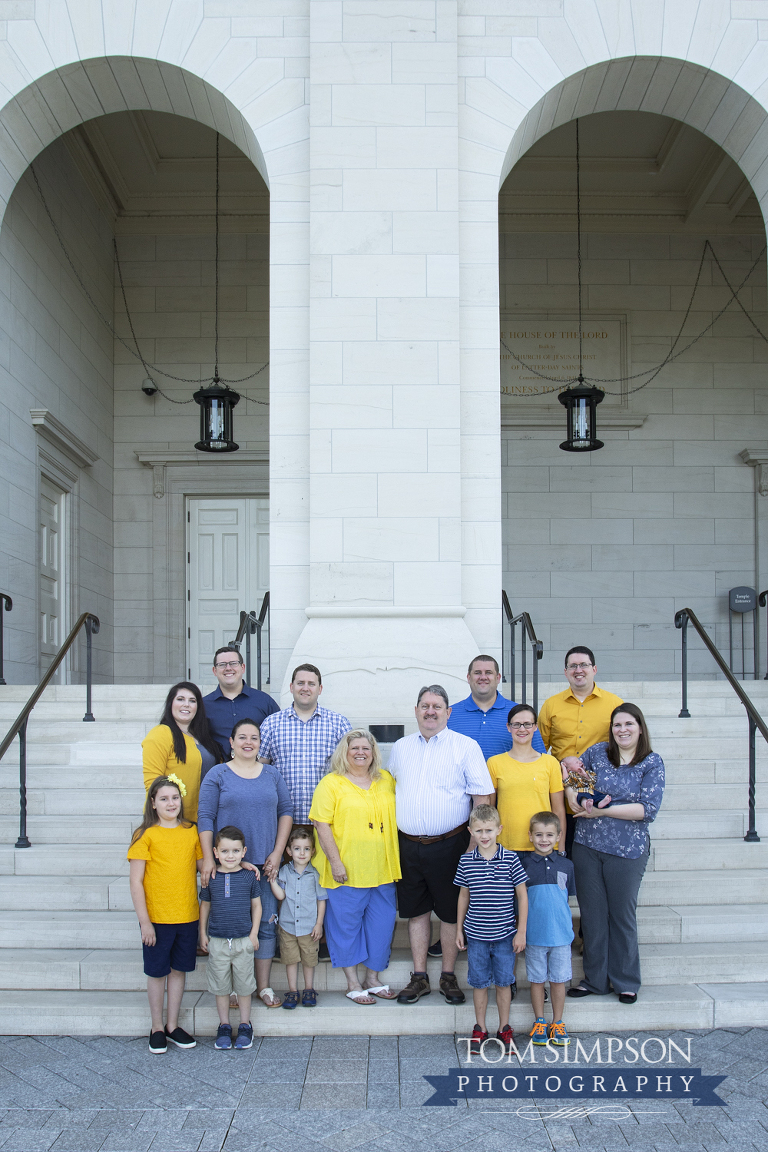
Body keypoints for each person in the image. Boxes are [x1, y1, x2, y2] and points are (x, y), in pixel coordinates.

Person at [390, 685, 493, 1007]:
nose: (430, 711)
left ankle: (448, 975)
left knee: (450, 914)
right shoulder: (401, 748)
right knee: (416, 912)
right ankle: (419, 976)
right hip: (408, 846)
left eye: (437, 706)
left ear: (448, 712)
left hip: (451, 844)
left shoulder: (465, 746)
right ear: (416, 710)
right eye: (424, 705)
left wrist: (473, 846)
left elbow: (482, 798)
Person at [564, 703, 665, 1005]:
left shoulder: (651, 762)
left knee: (621, 915)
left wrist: (603, 811)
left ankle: (625, 981)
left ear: (640, 728)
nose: (622, 730)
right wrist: (574, 800)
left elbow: (646, 810)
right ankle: (595, 980)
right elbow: (573, 780)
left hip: (627, 850)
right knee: (592, 917)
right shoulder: (597, 753)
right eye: (617, 725)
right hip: (588, 848)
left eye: (628, 724)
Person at [197, 718, 294, 1009]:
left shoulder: (272, 775)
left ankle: (261, 987)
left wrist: (277, 853)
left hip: (264, 867)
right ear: (231, 742)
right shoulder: (218, 774)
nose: (248, 742)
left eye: (254, 737)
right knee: (230, 927)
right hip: (228, 868)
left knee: (265, 925)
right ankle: (233, 989)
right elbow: (205, 817)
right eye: (242, 737)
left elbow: (286, 812)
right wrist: (206, 859)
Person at [309, 729, 400, 1004]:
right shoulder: (331, 783)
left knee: (382, 926)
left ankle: (372, 979)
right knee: (346, 927)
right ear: (344, 753)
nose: (361, 752)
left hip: (382, 868)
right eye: (354, 748)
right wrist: (335, 862)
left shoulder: (385, 780)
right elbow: (320, 823)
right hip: (345, 869)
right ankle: (352, 982)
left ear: (374, 753)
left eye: (366, 748)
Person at [127, 775, 202, 1054]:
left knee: (179, 970)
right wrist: (144, 921)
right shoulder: (145, 834)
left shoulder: (190, 831)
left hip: (187, 914)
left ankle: (172, 1025)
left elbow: (203, 866)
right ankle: (156, 1026)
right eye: (164, 799)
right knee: (158, 972)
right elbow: (136, 881)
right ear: (153, 803)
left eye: (174, 797)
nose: (171, 803)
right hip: (157, 918)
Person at [455, 805, 528, 1056]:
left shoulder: (510, 858)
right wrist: (459, 929)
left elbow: (522, 895)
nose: (484, 835)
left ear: (499, 829)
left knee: (504, 983)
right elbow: (463, 895)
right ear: (470, 831)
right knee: (479, 983)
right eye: (478, 830)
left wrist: (522, 931)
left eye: (488, 830)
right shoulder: (466, 860)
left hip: (506, 935)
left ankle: (504, 1028)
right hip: (476, 935)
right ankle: (480, 1028)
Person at [537, 647, 623, 856]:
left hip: (598, 794)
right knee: (564, 858)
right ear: (565, 672)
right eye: (573, 666)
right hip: (560, 796)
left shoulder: (615, 704)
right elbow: (539, 749)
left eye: (583, 665)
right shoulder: (551, 705)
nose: (578, 670)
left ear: (594, 669)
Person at [259, 664, 352, 824]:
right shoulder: (271, 724)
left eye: (311, 684)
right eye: (300, 683)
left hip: (327, 821)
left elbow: (351, 771)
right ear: (291, 687)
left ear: (320, 688)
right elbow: (259, 768)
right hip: (281, 822)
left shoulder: (339, 724)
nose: (305, 688)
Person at [199, 825, 262, 1050]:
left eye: (235, 851)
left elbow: (257, 906)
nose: (230, 856)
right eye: (224, 851)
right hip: (217, 940)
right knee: (221, 986)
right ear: (215, 852)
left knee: (245, 986)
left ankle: (245, 1025)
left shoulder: (249, 877)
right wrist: (202, 932)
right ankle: (224, 1025)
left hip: (243, 940)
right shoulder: (212, 876)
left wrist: (253, 934)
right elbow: (205, 905)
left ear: (244, 851)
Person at [520, 812, 576, 1046]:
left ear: (558, 837)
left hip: (561, 935)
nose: (544, 839)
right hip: (534, 935)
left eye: (549, 835)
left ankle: (558, 1022)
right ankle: (540, 1021)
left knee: (558, 980)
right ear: (530, 836)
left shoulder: (566, 865)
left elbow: (567, 898)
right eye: (539, 835)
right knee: (536, 980)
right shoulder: (523, 865)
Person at [488, 704, 567, 857]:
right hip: (506, 846)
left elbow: (558, 810)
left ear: (535, 727)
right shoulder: (494, 763)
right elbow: (490, 809)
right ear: (508, 727)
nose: (522, 729)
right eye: (516, 724)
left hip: (543, 847)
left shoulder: (550, 763)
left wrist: (561, 848)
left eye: (527, 724)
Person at [142, 682, 224, 824]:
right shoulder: (161, 733)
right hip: (171, 820)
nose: (186, 704)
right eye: (180, 699)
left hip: (204, 819)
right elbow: (153, 782)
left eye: (192, 701)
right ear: (171, 703)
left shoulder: (203, 738)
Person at [270, 826, 327, 1008]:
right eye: (297, 848)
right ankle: (293, 991)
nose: (301, 853)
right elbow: (281, 896)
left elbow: (321, 900)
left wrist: (319, 924)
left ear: (313, 851)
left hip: (309, 927)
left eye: (306, 849)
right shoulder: (285, 872)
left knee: (309, 959)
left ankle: (308, 989)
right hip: (288, 926)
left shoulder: (316, 874)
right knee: (290, 959)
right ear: (289, 851)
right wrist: (272, 880)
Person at [448, 655, 545, 758]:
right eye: (477, 673)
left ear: (498, 678)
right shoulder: (450, 715)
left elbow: (539, 759)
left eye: (488, 673)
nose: (483, 677)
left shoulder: (519, 714)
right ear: (468, 678)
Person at [203, 646, 279, 754]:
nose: (228, 668)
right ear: (214, 671)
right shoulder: (204, 705)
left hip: (257, 768)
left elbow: (279, 736)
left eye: (233, 663)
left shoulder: (264, 701)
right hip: (218, 768)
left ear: (242, 667)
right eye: (222, 665)